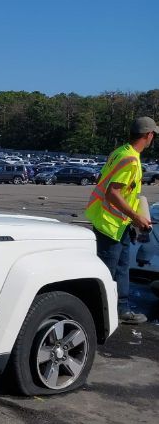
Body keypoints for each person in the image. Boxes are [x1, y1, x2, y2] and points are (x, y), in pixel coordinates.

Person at [85, 116, 156, 324]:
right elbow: (112, 193)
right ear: (147, 135)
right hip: (111, 223)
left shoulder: (120, 152)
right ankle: (95, 314)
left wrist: (132, 217)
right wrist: (136, 217)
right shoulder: (131, 160)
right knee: (107, 271)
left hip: (117, 222)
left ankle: (122, 309)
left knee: (122, 268)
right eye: (153, 135)